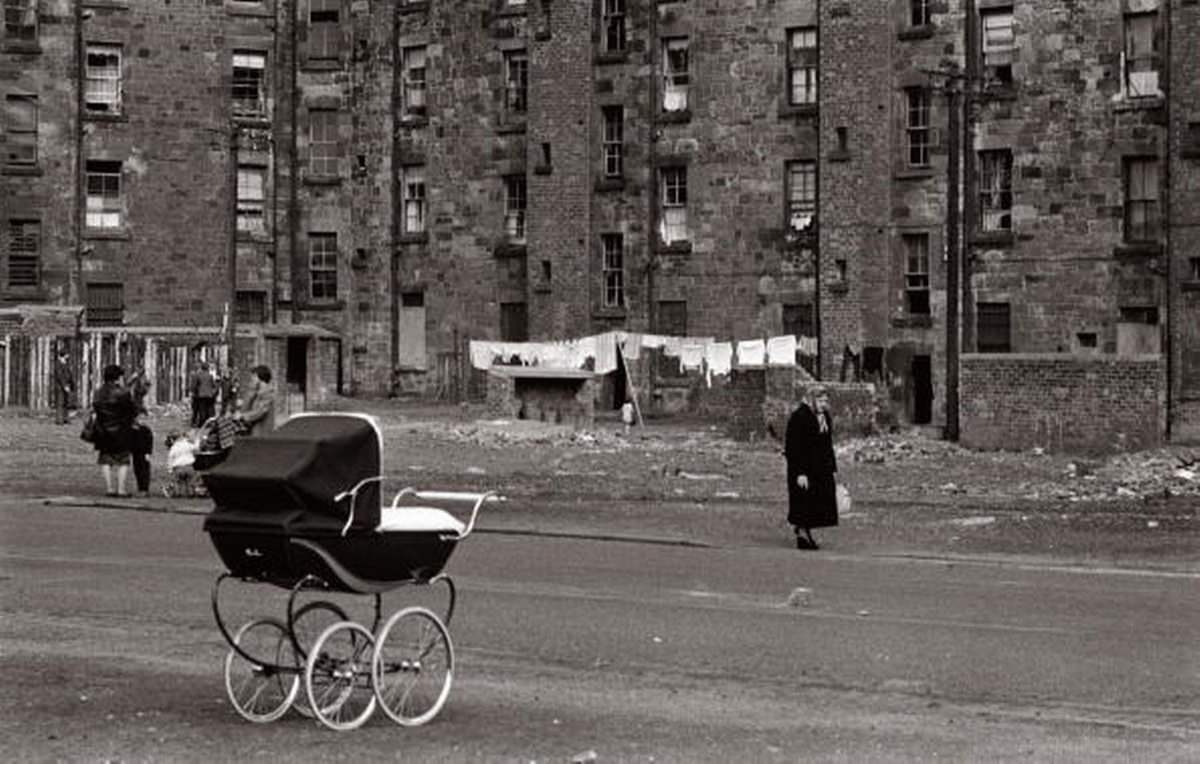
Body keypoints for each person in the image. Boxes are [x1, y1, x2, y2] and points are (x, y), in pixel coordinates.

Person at [784, 384, 838, 550]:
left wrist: (833, 468)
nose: (824, 404)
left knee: (817, 501)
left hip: (820, 469)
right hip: (804, 469)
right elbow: (793, 447)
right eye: (820, 401)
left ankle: (805, 532)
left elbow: (828, 444)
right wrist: (799, 472)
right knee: (804, 501)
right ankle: (802, 534)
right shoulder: (799, 417)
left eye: (825, 401)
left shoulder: (824, 417)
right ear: (812, 400)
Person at [91, 364, 138, 498]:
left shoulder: (98, 392)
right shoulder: (123, 392)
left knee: (106, 459)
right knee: (123, 460)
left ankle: (109, 488)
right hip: (120, 429)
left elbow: (95, 407)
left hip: (103, 429)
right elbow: (131, 410)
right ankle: (121, 489)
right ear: (117, 378)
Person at [127, 368, 153, 498]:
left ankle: (144, 488)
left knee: (142, 468)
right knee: (139, 467)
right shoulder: (135, 385)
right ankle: (142, 488)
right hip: (138, 449)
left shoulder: (135, 385)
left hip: (141, 450)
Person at [235, 364, 276, 437]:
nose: (252, 379)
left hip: (262, 434)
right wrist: (250, 395)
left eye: (254, 376)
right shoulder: (256, 393)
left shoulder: (268, 393)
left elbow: (260, 411)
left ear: (260, 378)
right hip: (253, 433)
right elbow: (244, 410)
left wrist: (242, 416)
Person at [163, 429, 199, 498]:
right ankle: (191, 494)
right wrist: (196, 441)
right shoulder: (188, 444)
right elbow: (196, 449)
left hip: (178, 467)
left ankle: (178, 493)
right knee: (190, 482)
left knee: (178, 482)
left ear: (172, 440)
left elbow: (170, 458)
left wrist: (169, 469)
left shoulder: (174, 448)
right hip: (189, 466)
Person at [188, 360, 218, 428]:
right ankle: (208, 423)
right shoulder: (210, 376)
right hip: (209, 395)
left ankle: (202, 424)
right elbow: (213, 385)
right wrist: (213, 392)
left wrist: (194, 392)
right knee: (208, 409)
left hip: (201, 395)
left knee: (202, 410)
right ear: (207, 368)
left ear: (201, 368)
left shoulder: (198, 375)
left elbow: (195, 386)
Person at [53, 346, 74, 425]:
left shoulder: (65, 363)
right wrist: (64, 385)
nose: (68, 356)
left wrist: (70, 384)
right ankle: (59, 420)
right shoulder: (58, 364)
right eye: (67, 354)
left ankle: (65, 418)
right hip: (60, 386)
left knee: (66, 403)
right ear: (64, 354)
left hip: (67, 385)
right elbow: (59, 376)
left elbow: (69, 374)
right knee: (60, 403)